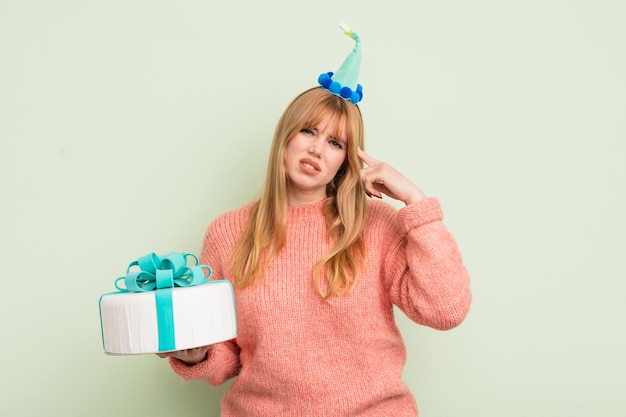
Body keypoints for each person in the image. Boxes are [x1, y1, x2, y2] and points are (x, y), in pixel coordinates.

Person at [158, 26, 471, 417]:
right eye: (308, 131)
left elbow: (445, 310)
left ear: (347, 159)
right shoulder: (228, 233)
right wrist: (195, 354)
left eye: (335, 142)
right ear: (286, 136)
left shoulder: (376, 226)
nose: (316, 149)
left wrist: (415, 202)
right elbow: (229, 359)